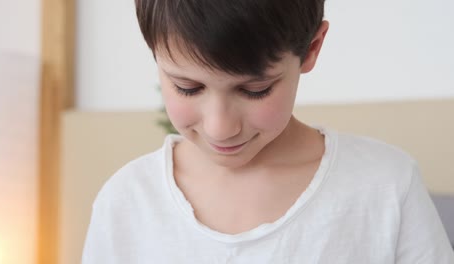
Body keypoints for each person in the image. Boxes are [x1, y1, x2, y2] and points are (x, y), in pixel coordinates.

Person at [82, 0, 454, 263]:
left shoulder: (385, 186)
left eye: (255, 90)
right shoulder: (127, 202)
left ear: (311, 49)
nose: (220, 128)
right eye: (187, 88)